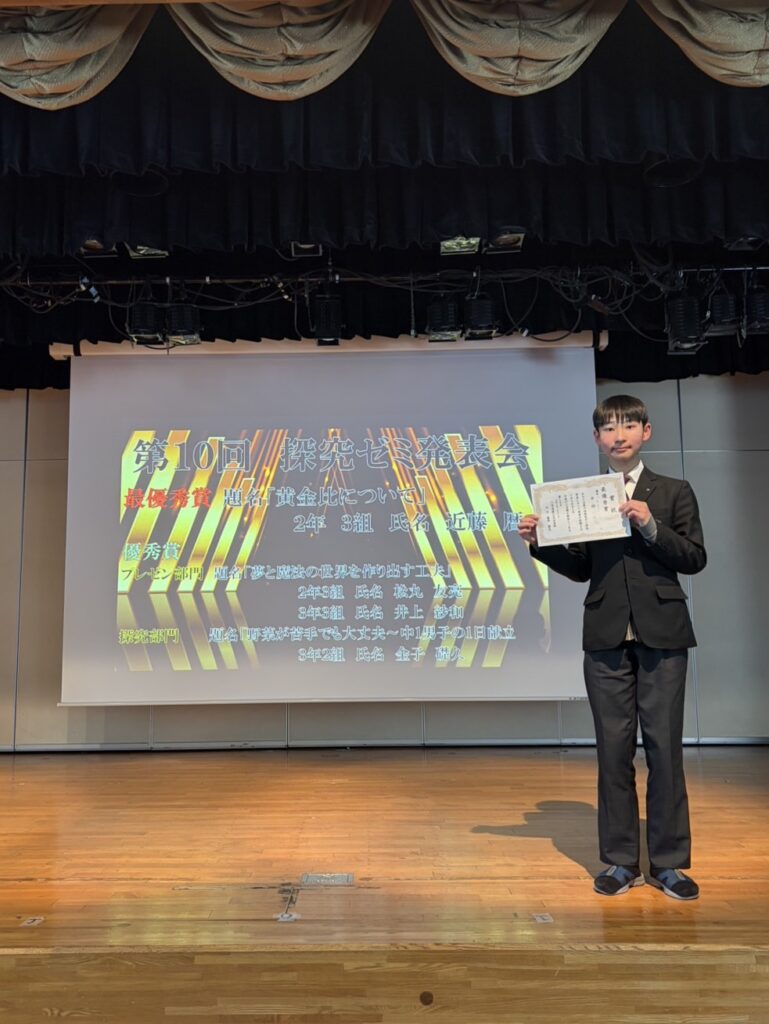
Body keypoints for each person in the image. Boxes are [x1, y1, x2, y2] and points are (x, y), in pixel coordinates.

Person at [517, 395, 706, 900]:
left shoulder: (673, 491)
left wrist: (650, 525)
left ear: (646, 432)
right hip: (605, 636)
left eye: (628, 426)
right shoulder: (587, 496)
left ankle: (669, 864)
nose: (618, 435)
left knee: (665, 750)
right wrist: (541, 542)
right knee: (612, 752)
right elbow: (582, 568)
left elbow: (694, 557)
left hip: (663, 633)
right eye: (608, 428)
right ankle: (621, 861)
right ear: (597, 438)